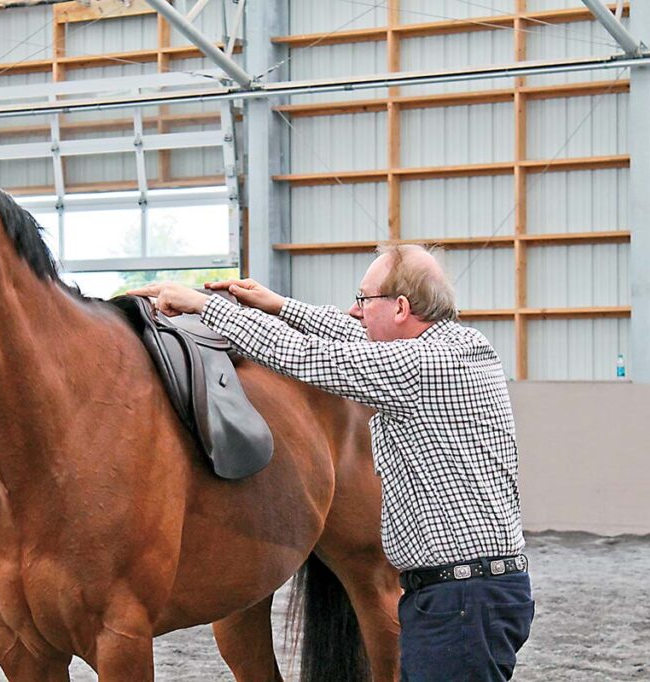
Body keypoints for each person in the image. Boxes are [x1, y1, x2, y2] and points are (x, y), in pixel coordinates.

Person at [129, 243, 533, 681]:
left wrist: (205, 307)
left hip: (457, 601)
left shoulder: (419, 366)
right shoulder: (461, 343)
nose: (354, 310)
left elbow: (305, 357)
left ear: (400, 307)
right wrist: (278, 305)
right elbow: (349, 334)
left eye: (364, 299)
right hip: (471, 592)